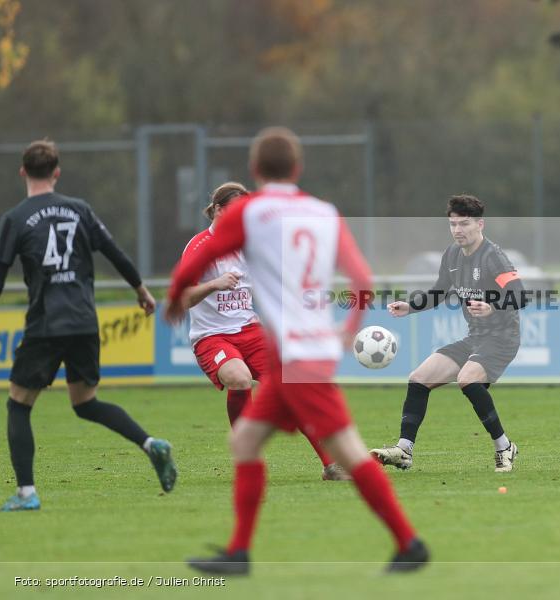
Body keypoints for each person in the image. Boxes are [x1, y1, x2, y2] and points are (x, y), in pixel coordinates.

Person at [166, 127, 427, 574]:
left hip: (293, 352)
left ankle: (409, 542)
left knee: (348, 450)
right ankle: (239, 553)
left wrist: (173, 299)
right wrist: (348, 330)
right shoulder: (323, 212)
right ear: (298, 168)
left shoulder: (251, 213)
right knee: (245, 441)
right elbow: (362, 279)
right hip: (305, 346)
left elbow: (190, 265)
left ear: (255, 170)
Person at [0, 139, 176, 511]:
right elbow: (115, 253)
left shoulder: (16, 219)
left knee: (18, 404)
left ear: (22, 172)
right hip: (83, 320)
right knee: (84, 402)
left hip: (46, 323)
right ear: (57, 172)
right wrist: (141, 290)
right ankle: (150, 444)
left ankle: (27, 494)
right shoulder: (79, 209)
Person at [183, 181, 347, 481]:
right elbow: (183, 297)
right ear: (218, 210)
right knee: (239, 377)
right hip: (213, 336)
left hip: (251, 330)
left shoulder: (250, 246)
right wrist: (213, 285)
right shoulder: (200, 246)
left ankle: (331, 465)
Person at [370, 195, 526, 473]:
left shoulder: (493, 257)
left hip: (503, 337)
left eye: (464, 223)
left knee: (467, 379)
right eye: (453, 224)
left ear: (480, 224)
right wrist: (410, 306)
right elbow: (439, 292)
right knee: (418, 379)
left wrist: (492, 307)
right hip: (475, 337)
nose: (457, 230)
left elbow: (519, 296)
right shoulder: (452, 255)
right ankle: (404, 450)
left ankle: (504, 446)